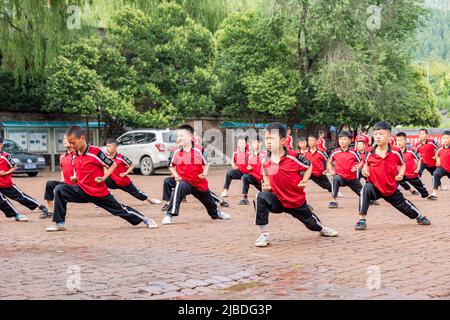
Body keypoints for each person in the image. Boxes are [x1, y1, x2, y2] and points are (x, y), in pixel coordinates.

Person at [45, 126, 158, 232]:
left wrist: (104, 177)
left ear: (82, 138)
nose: (72, 146)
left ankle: (146, 219)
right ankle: (59, 223)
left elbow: (112, 164)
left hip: (99, 193)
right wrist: (75, 177)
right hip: (81, 190)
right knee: (60, 189)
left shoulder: (95, 152)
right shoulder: (75, 154)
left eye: (73, 143)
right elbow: (77, 168)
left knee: (121, 210)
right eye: (70, 143)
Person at [254, 122, 339, 247]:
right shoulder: (266, 159)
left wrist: (304, 180)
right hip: (277, 199)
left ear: (283, 141)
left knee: (312, 225)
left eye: (272, 138)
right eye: (267, 138)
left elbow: (309, 165)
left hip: (295, 201)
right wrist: (267, 183)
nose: (268, 142)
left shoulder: (294, 156)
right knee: (259, 197)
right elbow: (265, 172)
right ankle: (264, 235)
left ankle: (322, 229)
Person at [355, 121, 431, 231]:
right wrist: (365, 171)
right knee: (365, 189)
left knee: (406, 207)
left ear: (389, 135)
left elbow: (402, 164)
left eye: (381, 134)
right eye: (375, 134)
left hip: (390, 189)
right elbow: (366, 163)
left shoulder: (395, 152)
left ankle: (419, 217)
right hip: (374, 186)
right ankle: (361, 220)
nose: (378, 137)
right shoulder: (370, 151)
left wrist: (400, 174)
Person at [162, 124, 230, 225]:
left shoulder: (199, 150)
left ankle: (217, 213)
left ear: (191, 136)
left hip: (199, 183)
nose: (179, 138)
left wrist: (204, 173)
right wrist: (175, 175)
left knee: (211, 206)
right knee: (179, 186)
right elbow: (171, 165)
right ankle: (169, 215)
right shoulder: (176, 151)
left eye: (182, 135)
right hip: (185, 182)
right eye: (178, 136)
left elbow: (206, 163)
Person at [0, 136, 50, 222]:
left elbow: (14, 167)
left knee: (20, 197)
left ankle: (42, 207)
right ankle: (16, 215)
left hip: (6, 184)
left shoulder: (5, 156)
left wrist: (5, 173)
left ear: (1, 145)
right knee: (1, 201)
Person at [104, 138, 161, 205]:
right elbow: (102, 164)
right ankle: (102, 200)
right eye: (106, 146)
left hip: (123, 181)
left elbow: (132, 164)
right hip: (112, 181)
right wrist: (105, 171)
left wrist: (126, 173)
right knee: (100, 182)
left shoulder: (121, 157)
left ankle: (150, 200)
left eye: (109, 146)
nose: (107, 148)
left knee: (137, 193)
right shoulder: (105, 157)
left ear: (115, 147)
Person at [395, 132, 436, 200]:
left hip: (411, 173)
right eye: (397, 141)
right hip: (401, 173)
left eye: (401, 140)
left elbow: (419, 159)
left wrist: (418, 168)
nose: (399, 142)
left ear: (405, 141)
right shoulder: (396, 152)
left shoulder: (411, 151)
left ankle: (426, 195)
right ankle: (397, 196)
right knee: (394, 181)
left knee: (420, 186)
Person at [327, 131, 363, 209]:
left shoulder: (354, 152)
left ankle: (369, 199)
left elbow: (361, 162)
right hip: (341, 178)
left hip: (352, 179)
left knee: (364, 194)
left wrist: (357, 167)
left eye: (344, 139)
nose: (342, 141)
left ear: (349, 141)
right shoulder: (335, 152)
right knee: (335, 178)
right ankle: (334, 201)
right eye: (340, 139)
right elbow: (329, 162)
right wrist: (330, 170)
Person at [43, 135, 76, 219]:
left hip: (78, 184)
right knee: (49, 184)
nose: (64, 140)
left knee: (59, 188)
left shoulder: (78, 154)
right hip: (66, 183)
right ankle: (50, 211)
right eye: (64, 139)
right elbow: (62, 169)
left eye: (67, 139)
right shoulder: (62, 156)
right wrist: (62, 179)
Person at [239, 136, 263, 205]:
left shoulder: (265, 154)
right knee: (245, 177)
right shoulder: (250, 156)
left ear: (260, 144)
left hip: (264, 182)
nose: (253, 144)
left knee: (272, 195)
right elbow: (250, 169)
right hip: (256, 180)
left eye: (255, 143)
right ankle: (245, 198)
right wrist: (249, 168)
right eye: (252, 143)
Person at [430, 130, 450, 198]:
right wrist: (438, 161)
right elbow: (438, 155)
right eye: (443, 138)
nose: (445, 140)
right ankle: (434, 192)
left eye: (447, 138)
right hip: (443, 167)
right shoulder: (440, 149)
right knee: (435, 173)